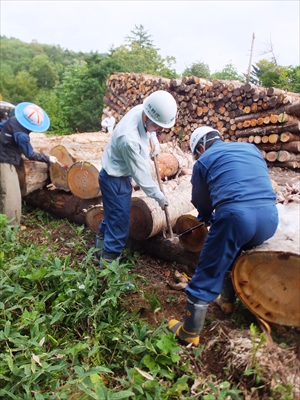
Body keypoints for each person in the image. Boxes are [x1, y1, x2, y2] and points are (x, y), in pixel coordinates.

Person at [168, 126, 279, 346]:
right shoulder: (250, 149)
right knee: (233, 250)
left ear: (200, 147)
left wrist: (207, 218)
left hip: (237, 218)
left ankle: (189, 331)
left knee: (208, 267)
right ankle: (227, 301)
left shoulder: (203, 160)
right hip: (270, 218)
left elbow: (201, 200)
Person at [95, 90, 177, 265]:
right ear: (147, 118)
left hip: (115, 175)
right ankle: (108, 268)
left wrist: (154, 141)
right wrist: (158, 196)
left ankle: (98, 251)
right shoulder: (128, 139)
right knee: (119, 224)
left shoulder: (145, 109)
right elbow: (141, 175)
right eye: (157, 127)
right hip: (114, 179)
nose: (159, 130)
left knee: (112, 217)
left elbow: (150, 131)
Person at [0, 102, 58, 226]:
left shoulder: (13, 119)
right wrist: (48, 158)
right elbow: (30, 154)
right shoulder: (21, 136)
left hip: (6, 155)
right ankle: (10, 228)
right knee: (12, 195)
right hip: (5, 161)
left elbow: (1, 126)